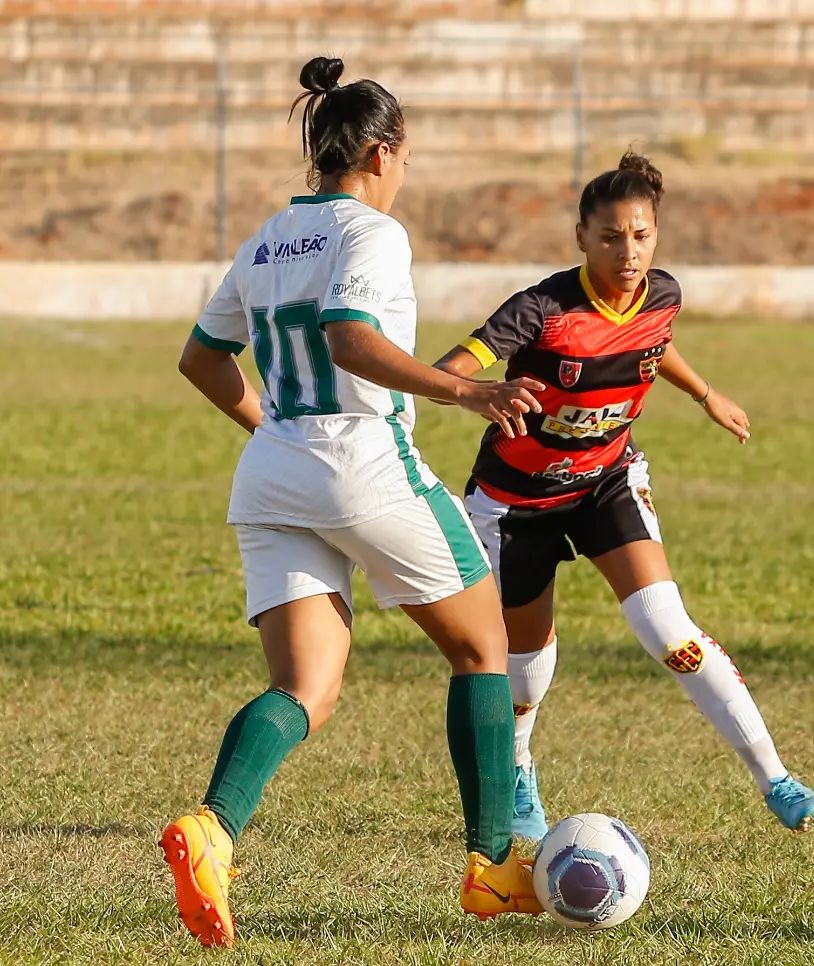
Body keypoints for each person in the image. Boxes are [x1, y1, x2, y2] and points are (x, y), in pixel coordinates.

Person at [160, 57, 549, 947]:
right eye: (404, 154)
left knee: (306, 687)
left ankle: (211, 831)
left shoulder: (264, 238)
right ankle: (491, 866)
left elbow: (200, 358)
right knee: (483, 646)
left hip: (274, 471)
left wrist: (271, 429)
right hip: (363, 460)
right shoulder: (374, 233)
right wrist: (469, 394)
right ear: (380, 152)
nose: (404, 171)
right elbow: (351, 341)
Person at [434, 152, 814, 838]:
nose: (628, 251)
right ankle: (522, 774)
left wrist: (707, 393)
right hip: (515, 504)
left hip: (605, 482)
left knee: (670, 632)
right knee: (524, 668)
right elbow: (449, 369)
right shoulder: (540, 309)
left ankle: (778, 779)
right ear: (582, 237)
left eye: (641, 235)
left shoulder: (664, 294)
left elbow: (654, 344)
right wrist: (481, 392)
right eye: (611, 236)